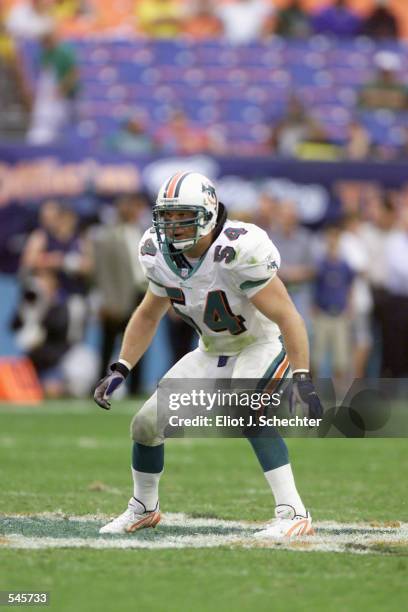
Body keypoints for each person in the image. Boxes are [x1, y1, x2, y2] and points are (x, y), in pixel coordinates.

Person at [94, 171, 323, 538]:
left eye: (181, 215)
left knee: (246, 407)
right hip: (211, 349)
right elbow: (149, 312)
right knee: (145, 424)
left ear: (207, 213)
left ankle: (294, 512)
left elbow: (288, 316)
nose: (171, 225)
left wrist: (302, 377)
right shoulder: (158, 251)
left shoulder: (240, 248)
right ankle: (144, 507)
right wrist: (121, 365)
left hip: (259, 344)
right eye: (166, 216)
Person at [92, 193, 149, 394]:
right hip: (116, 297)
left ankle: (135, 388)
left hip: (141, 294)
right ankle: (99, 385)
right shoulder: (106, 235)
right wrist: (106, 300)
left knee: (139, 343)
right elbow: (102, 272)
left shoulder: (145, 232)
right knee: (108, 345)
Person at [27, 28, 80, 144]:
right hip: (51, 96)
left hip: (68, 95)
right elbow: (43, 75)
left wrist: (62, 90)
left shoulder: (64, 52)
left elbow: (73, 73)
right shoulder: (43, 54)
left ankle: (70, 144)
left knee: (68, 121)